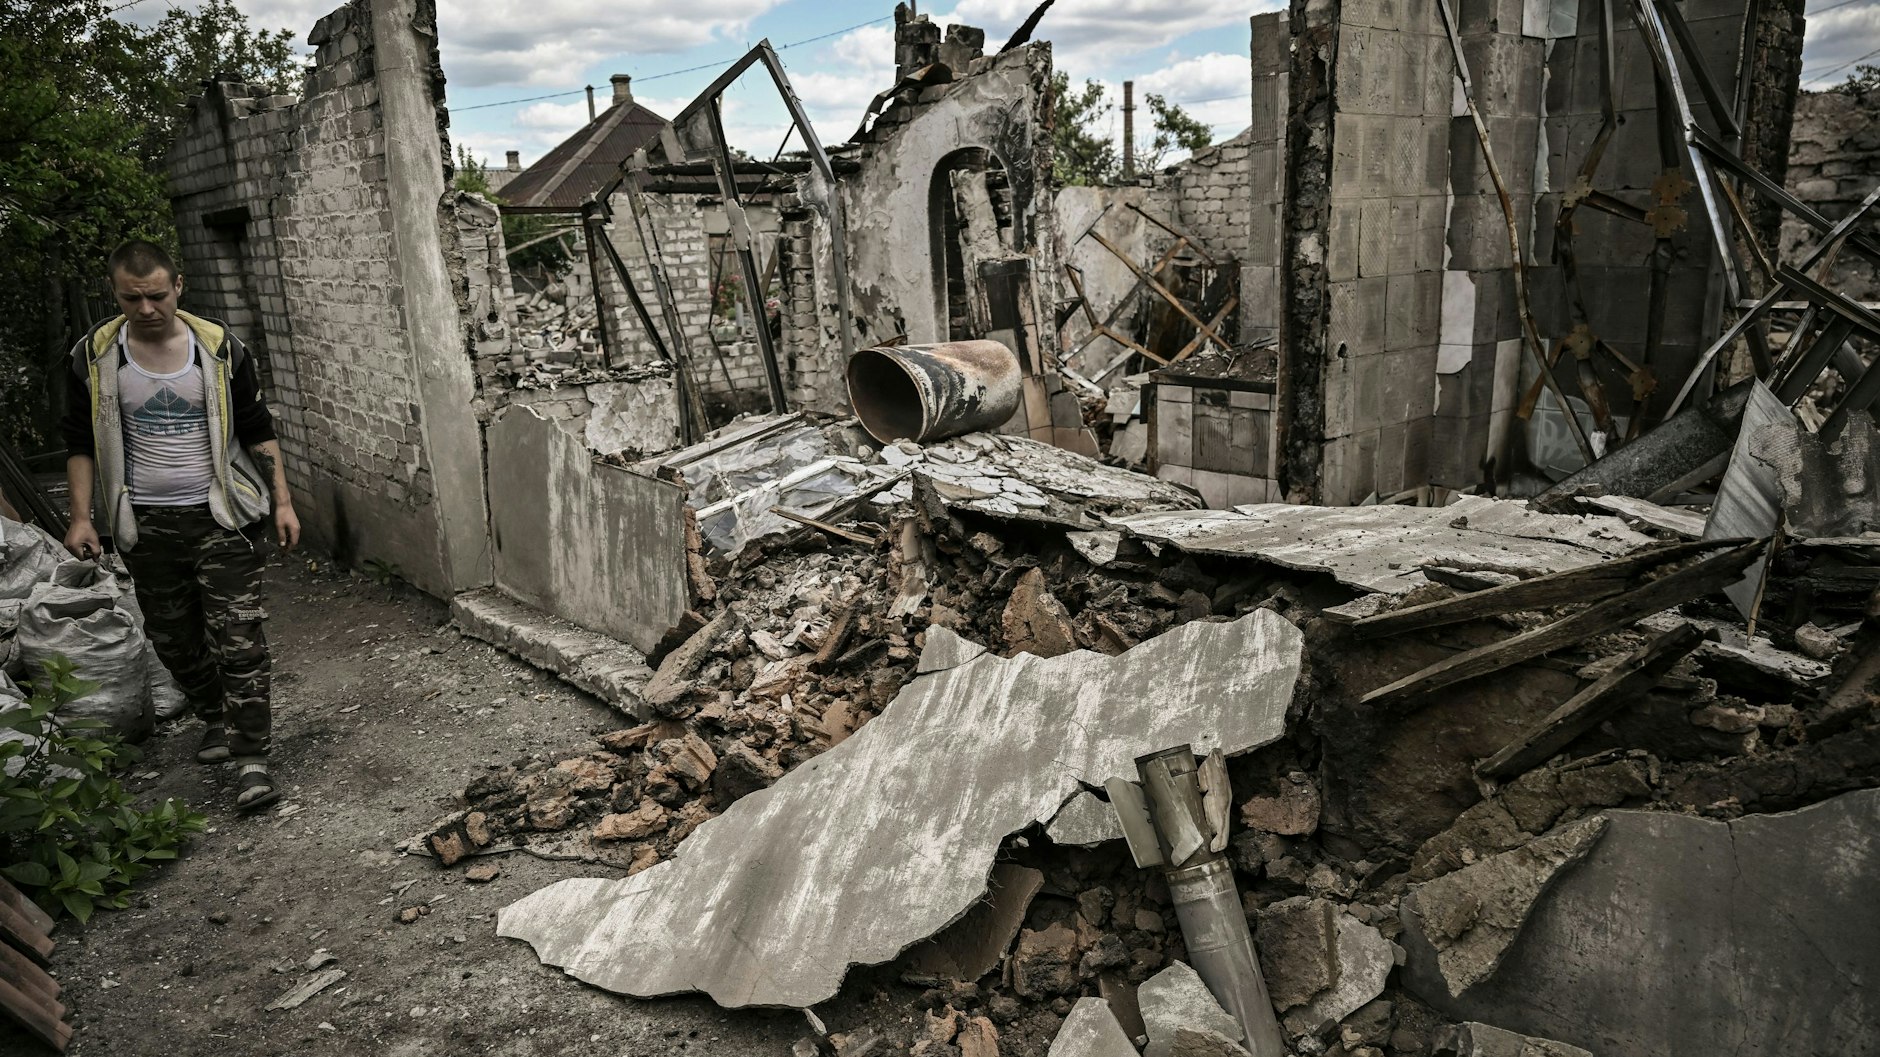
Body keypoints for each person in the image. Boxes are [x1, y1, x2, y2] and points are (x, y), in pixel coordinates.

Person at [61, 240, 300, 811]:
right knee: (174, 639)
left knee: (239, 639)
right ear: (115, 293)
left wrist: (283, 502)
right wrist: (80, 518)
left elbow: (258, 429)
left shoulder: (218, 350)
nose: (145, 309)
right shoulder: (94, 358)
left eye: (156, 295)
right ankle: (215, 715)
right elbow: (78, 441)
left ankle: (252, 760)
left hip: (222, 516)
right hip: (142, 523)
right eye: (131, 298)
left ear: (178, 286)